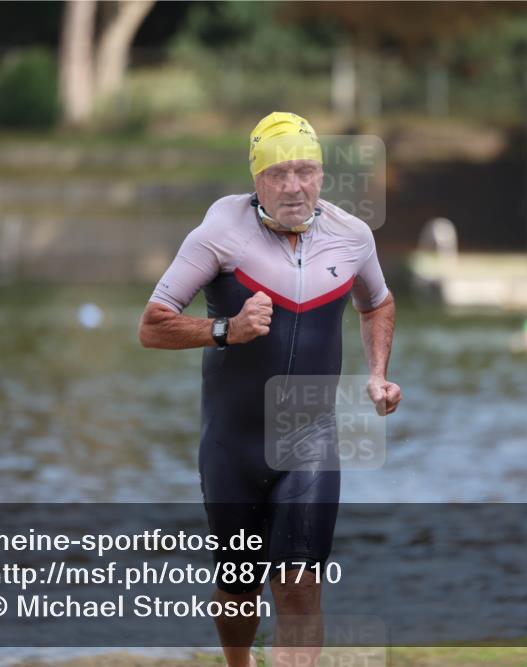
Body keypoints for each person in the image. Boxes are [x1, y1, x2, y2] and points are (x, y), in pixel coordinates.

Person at [138, 111, 401, 667]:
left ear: (322, 175)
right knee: (238, 593)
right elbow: (152, 324)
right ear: (256, 179)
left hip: (309, 437)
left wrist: (377, 373)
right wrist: (226, 330)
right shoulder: (219, 234)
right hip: (232, 443)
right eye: (278, 174)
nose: (293, 186)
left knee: (301, 584)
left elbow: (376, 302)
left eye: (304, 171)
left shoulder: (351, 237)